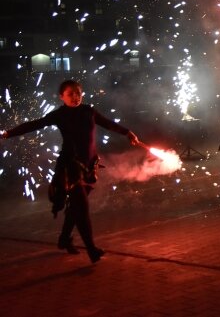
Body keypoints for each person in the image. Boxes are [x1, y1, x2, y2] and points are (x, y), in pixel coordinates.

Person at [1, 79, 140, 263]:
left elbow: (107, 123)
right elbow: (35, 124)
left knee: (75, 208)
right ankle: (91, 250)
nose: (75, 97)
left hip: (89, 165)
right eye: (70, 94)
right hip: (70, 166)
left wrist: (127, 132)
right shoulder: (59, 115)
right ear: (62, 97)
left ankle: (64, 239)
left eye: (78, 93)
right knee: (81, 206)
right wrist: (8, 133)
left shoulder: (88, 111)